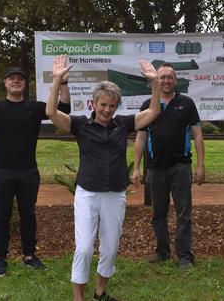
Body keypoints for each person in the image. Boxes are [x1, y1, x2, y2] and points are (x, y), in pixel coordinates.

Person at [45, 55, 160, 301]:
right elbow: (51, 112)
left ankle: (100, 292)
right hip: (87, 194)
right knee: (85, 248)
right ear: (94, 103)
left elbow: (154, 111)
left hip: (115, 194)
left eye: (112, 105)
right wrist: (57, 80)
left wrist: (154, 82)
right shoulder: (80, 125)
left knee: (109, 249)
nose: (107, 110)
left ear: (116, 106)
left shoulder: (123, 124)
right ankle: (79, 298)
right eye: (103, 105)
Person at [0, 56, 70, 277]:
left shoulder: (36, 108)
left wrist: (64, 82)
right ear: (5, 83)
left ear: (25, 84)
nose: (16, 81)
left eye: (20, 78)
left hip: (28, 172)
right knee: (2, 216)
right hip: (1, 172)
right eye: (12, 78)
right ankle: (0, 259)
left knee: (28, 215)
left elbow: (64, 108)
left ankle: (29, 256)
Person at [131, 63, 205, 270]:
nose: (165, 81)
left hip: (181, 167)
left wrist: (201, 165)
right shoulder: (148, 104)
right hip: (155, 169)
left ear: (175, 80)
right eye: (161, 77)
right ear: (156, 80)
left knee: (184, 214)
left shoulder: (187, 103)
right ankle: (162, 251)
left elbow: (198, 135)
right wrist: (136, 167)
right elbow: (140, 137)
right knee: (158, 213)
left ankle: (184, 257)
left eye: (169, 77)